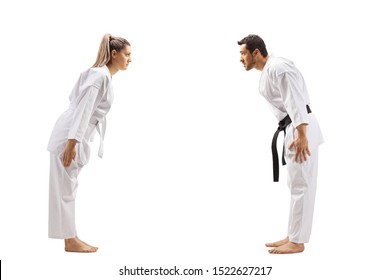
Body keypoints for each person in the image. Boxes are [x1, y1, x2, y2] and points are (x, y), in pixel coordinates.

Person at [238, 35, 324, 254]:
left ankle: (297, 241)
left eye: (243, 53)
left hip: (299, 127)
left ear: (256, 52)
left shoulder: (278, 67)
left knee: (301, 185)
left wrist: (302, 132)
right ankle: (294, 235)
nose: (241, 58)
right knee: (296, 184)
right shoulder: (271, 70)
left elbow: (294, 98)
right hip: (294, 127)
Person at [47, 34, 132, 252]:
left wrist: (76, 140)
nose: (130, 59)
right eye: (127, 54)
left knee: (68, 186)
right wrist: (71, 143)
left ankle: (71, 238)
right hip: (70, 135)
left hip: (74, 134)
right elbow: (83, 109)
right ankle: (70, 240)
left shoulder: (100, 75)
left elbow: (76, 101)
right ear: (114, 54)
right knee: (66, 188)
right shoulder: (99, 76)